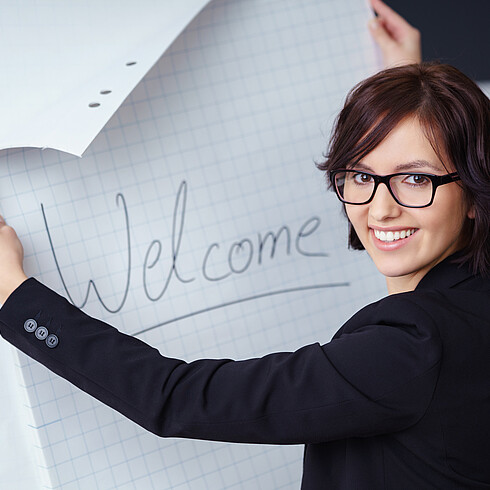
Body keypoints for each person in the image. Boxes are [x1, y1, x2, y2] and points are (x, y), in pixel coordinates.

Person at [0, 2, 489, 489]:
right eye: (361, 175)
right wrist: (409, 88)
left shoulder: (412, 348)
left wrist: (15, 296)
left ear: (473, 191)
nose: (380, 209)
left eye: (414, 178)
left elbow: (174, 398)